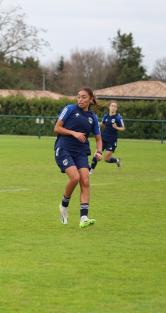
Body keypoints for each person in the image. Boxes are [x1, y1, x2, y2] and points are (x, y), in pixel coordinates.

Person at [54, 87, 102, 228]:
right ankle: (63, 205)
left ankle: (84, 218)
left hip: (81, 151)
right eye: (78, 96)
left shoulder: (93, 117)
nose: (80, 99)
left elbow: (98, 139)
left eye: (83, 97)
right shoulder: (69, 109)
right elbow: (57, 128)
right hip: (63, 149)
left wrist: (99, 151)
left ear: (91, 99)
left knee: (85, 181)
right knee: (75, 177)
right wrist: (74, 133)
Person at [90, 101, 125, 173]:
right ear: (109, 107)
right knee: (97, 154)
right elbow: (102, 124)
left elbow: (123, 128)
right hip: (103, 139)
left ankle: (117, 160)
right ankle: (91, 170)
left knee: (106, 159)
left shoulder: (118, 117)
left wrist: (116, 127)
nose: (113, 107)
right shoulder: (105, 116)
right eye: (112, 106)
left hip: (112, 141)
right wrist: (95, 123)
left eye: (115, 106)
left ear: (116, 108)